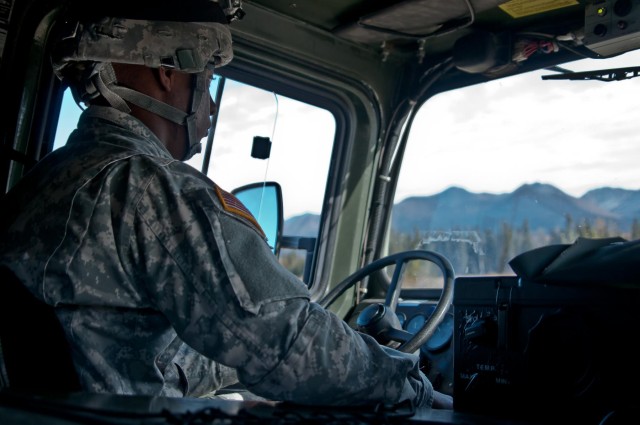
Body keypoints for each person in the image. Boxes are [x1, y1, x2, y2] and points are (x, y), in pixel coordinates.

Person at [0, 0, 452, 409]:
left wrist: (235, 368)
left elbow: (145, 351)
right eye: (208, 80)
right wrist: (414, 386)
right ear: (169, 73)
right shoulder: (152, 191)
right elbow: (294, 347)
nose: (211, 106)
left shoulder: (41, 182)